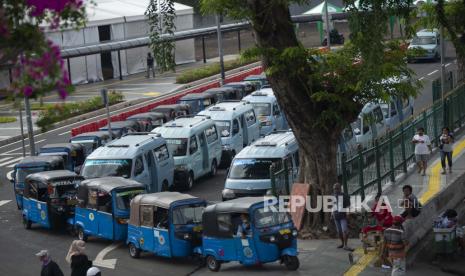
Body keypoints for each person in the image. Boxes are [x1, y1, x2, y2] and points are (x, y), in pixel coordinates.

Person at [332, 183, 352, 251]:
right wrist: (331, 214)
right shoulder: (333, 196)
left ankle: (346, 245)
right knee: (339, 231)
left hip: (343, 216)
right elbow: (333, 206)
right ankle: (342, 243)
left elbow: (348, 206)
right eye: (334, 189)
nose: (335, 190)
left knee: (344, 230)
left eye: (337, 188)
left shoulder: (345, 196)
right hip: (336, 216)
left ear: (340, 188)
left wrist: (348, 213)